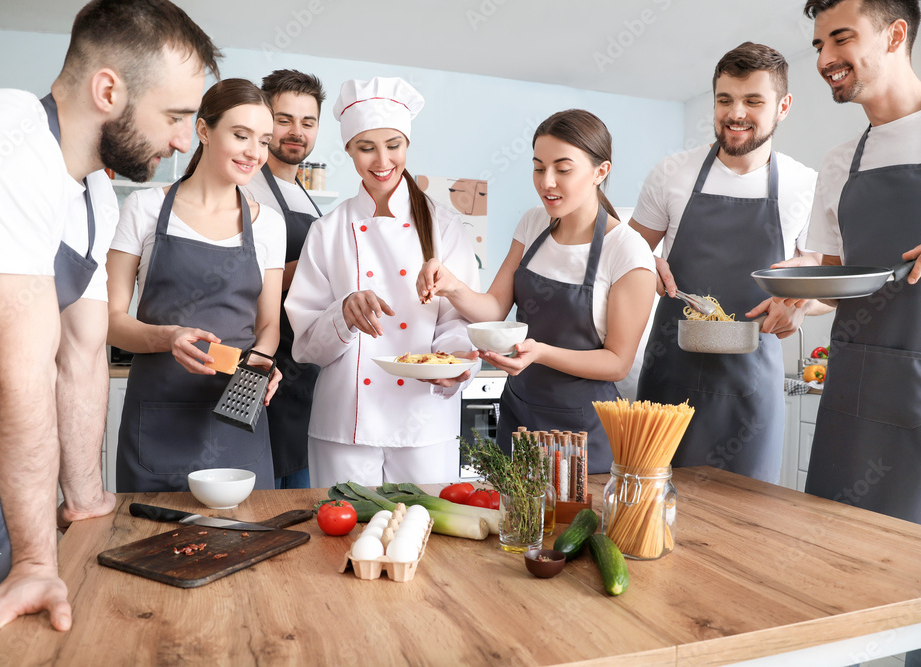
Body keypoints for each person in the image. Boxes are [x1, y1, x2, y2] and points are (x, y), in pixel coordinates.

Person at [0, 0, 218, 658]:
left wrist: (84, 501)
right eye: (174, 117)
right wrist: (36, 559)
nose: (181, 143)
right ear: (108, 89)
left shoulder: (88, 194)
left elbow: (80, 355)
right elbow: (22, 368)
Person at [417, 109, 657, 470]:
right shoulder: (533, 223)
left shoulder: (627, 249)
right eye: (538, 167)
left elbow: (617, 363)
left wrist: (540, 352)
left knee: (571, 526)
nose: (547, 182)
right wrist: (451, 286)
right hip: (519, 416)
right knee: (511, 522)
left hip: (581, 431)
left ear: (600, 171)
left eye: (563, 169)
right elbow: (494, 308)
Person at [630, 42, 822, 484]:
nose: (736, 113)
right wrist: (646, 265)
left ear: (783, 106)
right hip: (667, 381)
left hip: (751, 391)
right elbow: (626, 262)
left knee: (745, 525)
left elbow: (825, 290)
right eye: (724, 99)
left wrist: (800, 304)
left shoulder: (803, 184)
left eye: (753, 101)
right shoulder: (671, 173)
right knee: (650, 510)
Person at [798, 9, 921, 666]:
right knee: (833, 586)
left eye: (841, 37)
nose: (824, 58)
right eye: (819, 43)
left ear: (896, 33)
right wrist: (790, 300)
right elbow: (830, 284)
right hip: (855, 395)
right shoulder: (843, 160)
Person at [286, 76, 479, 487]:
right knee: (342, 539)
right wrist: (342, 314)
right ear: (348, 150)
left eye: (393, 145)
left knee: (426, 537)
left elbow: (458, 321)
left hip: (425, 421)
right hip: (346, 422)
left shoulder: (444, 226)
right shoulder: (328, 230)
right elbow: (307, 347)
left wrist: (454, 362)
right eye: (365, 147)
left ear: (407, 145)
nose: (381, 160)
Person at [108, 78, 284, 492]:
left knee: (247, 547)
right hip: (157, 417)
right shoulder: (144, 209)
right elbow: (109, 319)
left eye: (264, 140)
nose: (254, 153)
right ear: (204, 130)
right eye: (241, 135)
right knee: (149, 547)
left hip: (237, 416)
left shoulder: (269, 225)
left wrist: (259, 363)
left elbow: (269, 325)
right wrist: (168, 337)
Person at [240, 69, 326, 489]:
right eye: (284, 119)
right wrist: (321, 271)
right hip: (265, 364)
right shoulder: (247, 187)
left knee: (304, 505)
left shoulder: (304, 193)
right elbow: (241, 276)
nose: (297, 132)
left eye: (307, 122)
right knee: (262, 496)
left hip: (305, 369)